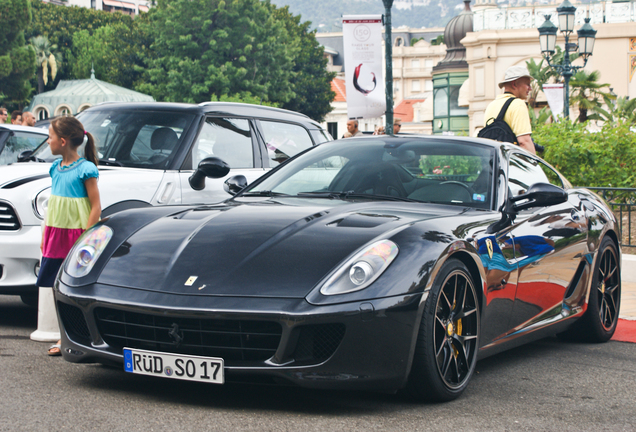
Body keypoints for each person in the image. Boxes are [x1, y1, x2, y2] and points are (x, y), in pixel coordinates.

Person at [38, 117, 101, 356]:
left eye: (50, 137)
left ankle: (78, 337)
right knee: (56, 287)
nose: (48, 141)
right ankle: (63, 336)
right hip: (56, 236)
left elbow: (95, 207)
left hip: (77, 238)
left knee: (74, 288)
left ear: (62, 141)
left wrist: (86, 238)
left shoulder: (86, 169)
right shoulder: (55, 168)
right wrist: (46, 236)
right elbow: (56, 208)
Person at [483, 65, 536, 155]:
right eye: (527, 84)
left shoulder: (491, 105)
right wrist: (534, 166)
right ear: (514, 84)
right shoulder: (518, 104)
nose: (530, 88)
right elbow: (524, 142)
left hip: (493, 163)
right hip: (510, 165)